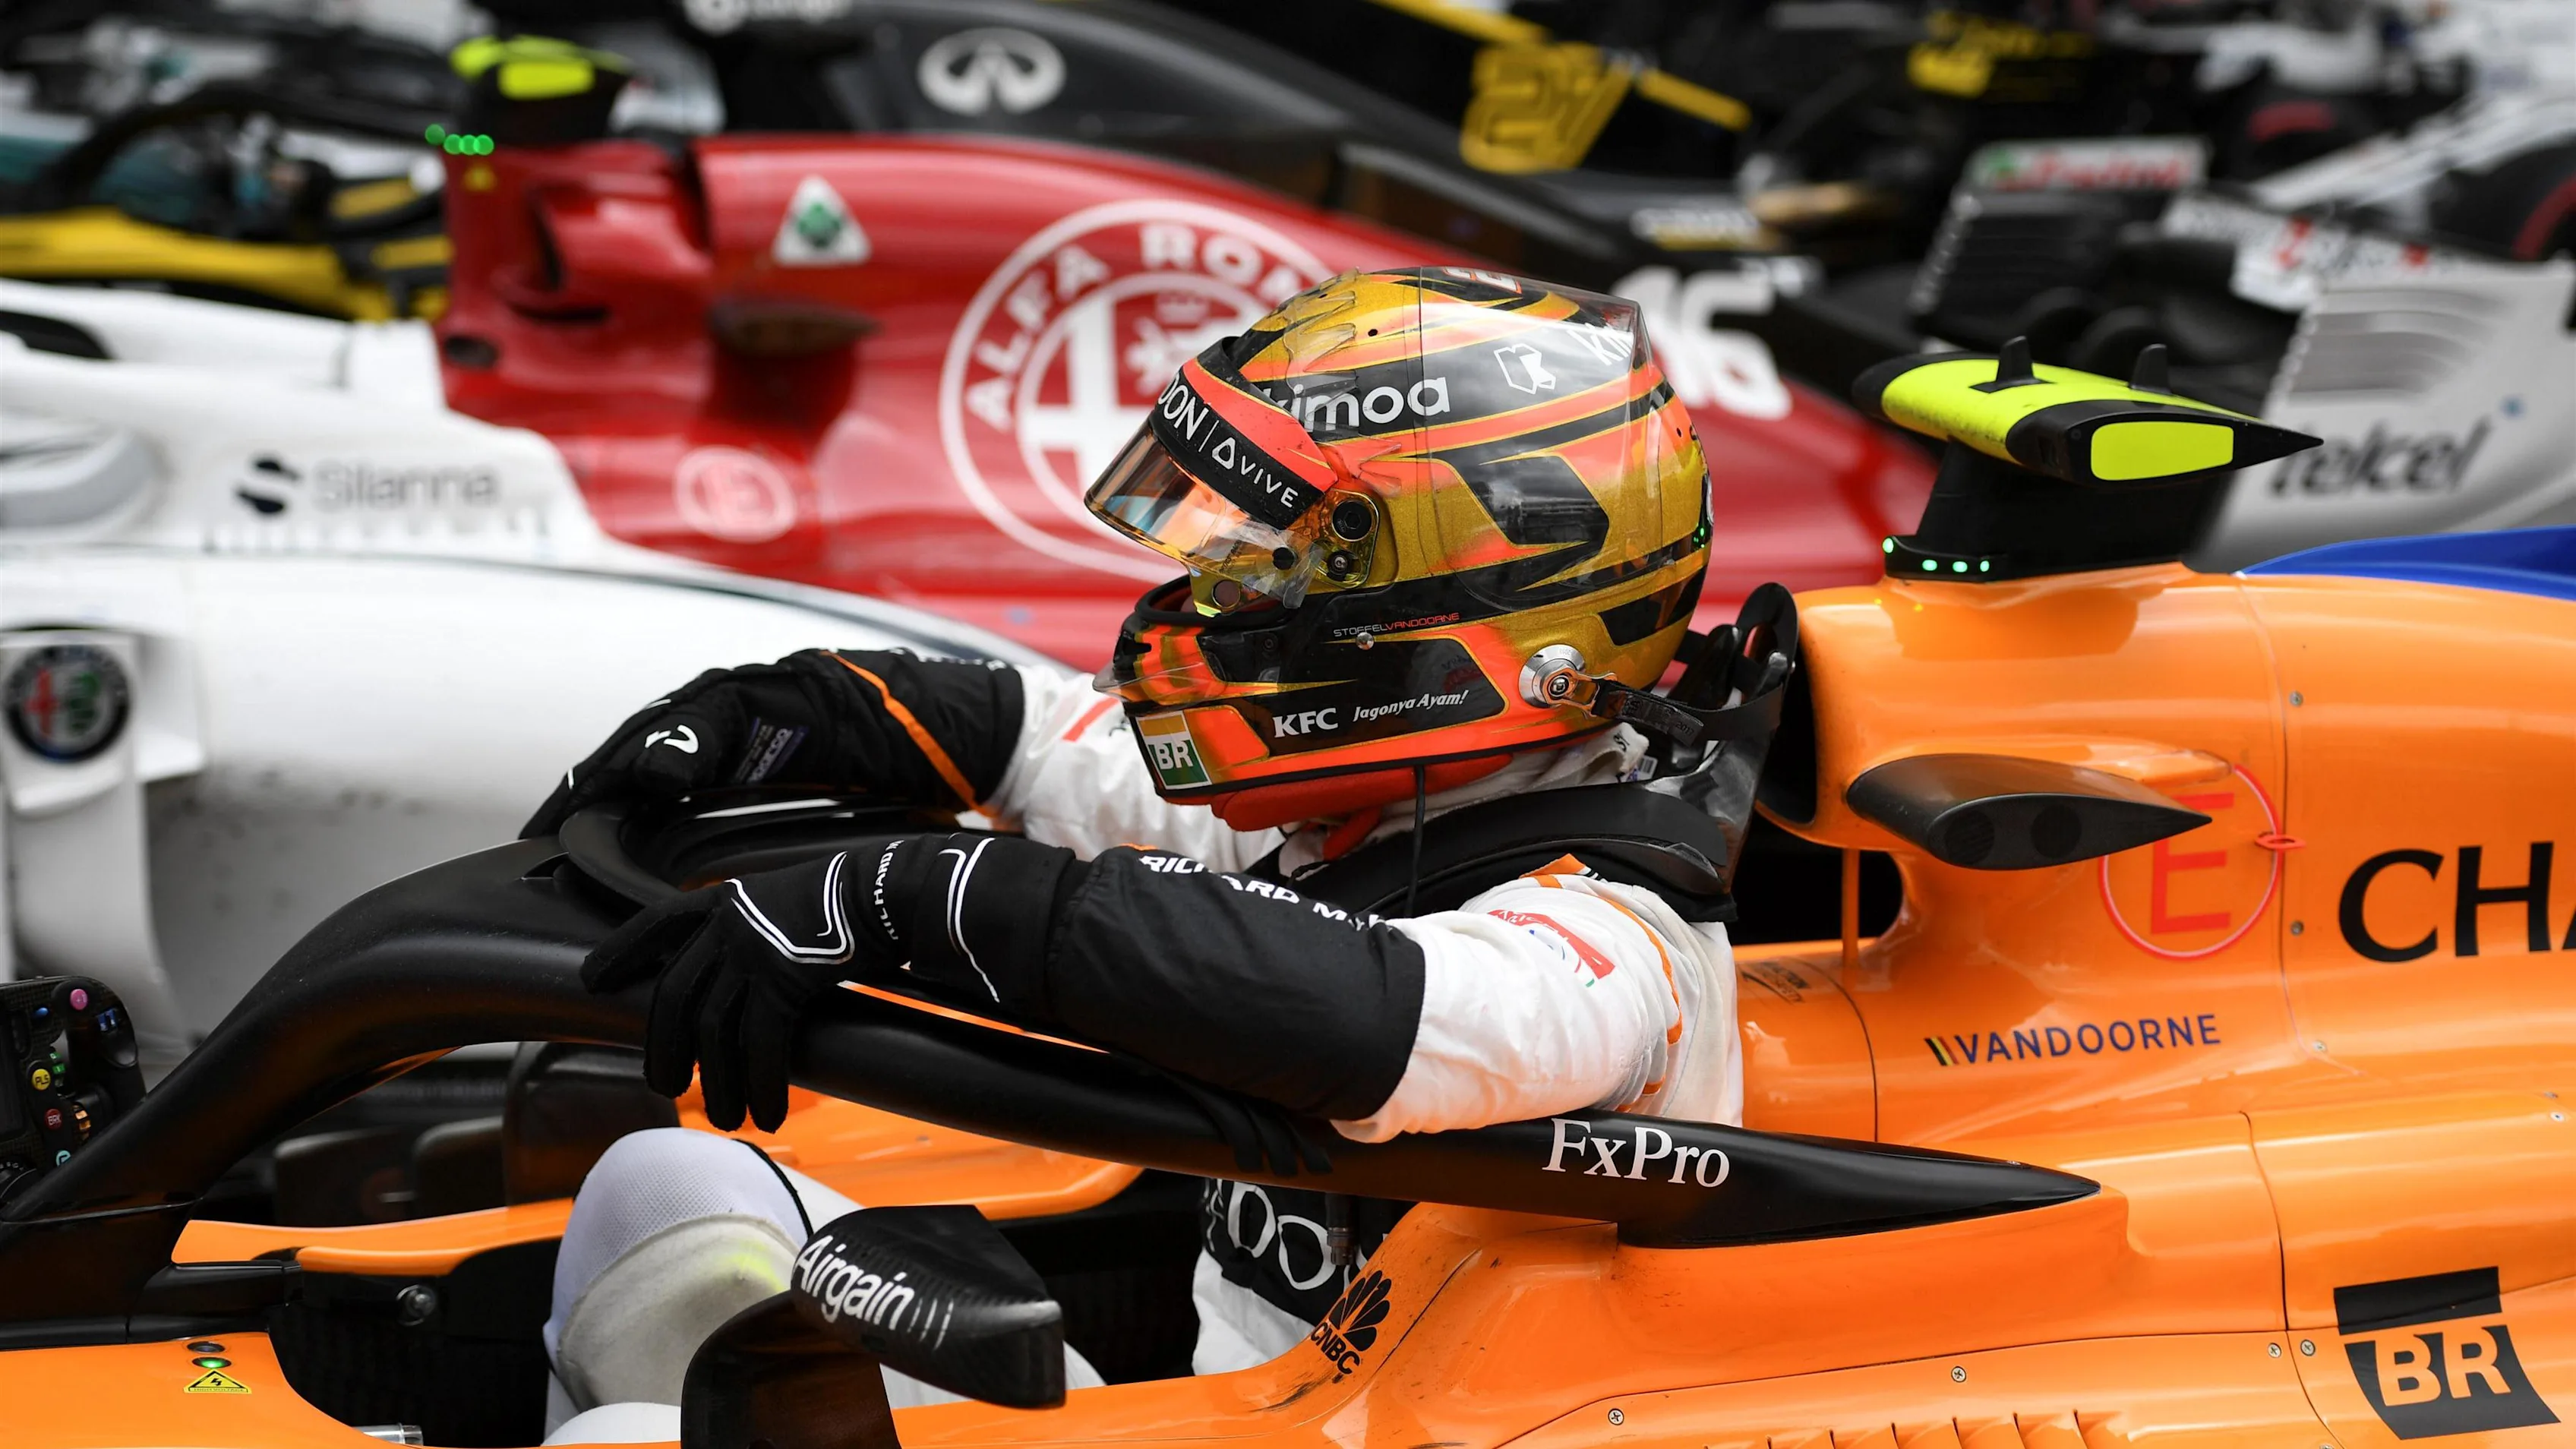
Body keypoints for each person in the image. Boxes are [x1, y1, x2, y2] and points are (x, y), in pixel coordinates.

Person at [527, 267, 1780, 1440]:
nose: (1198, 608)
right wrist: (783, 708)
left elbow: (1368, 1011)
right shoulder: (1359, 821)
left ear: (1474, 604)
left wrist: (919, 890)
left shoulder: (1627, 950)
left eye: (1263, 576)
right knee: (662, 1190)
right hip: (1217, 1418)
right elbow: (1033, 739)